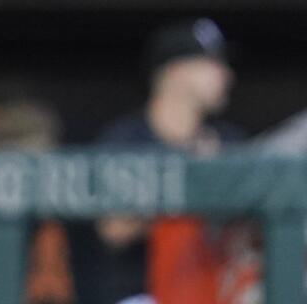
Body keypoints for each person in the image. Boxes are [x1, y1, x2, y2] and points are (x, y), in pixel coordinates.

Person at [91, 19, 255, 304]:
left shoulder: (228, 141)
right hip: (142, 294)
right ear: (176, 71)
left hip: (215, 291)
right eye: (211, 64)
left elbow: (255, 226)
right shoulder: (127, 140)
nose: (225, 75)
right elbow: (113, 228)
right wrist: (191, 179)